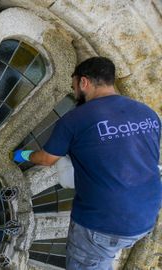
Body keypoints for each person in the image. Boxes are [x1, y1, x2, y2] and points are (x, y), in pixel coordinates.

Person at [13, 57, 162, 270]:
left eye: (73, 87)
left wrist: (23, 155)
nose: (74, 94)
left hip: (102, 224)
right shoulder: (147, 113)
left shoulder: (76, 119)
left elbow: (47, 159)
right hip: (145, 216)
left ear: (84, 82)